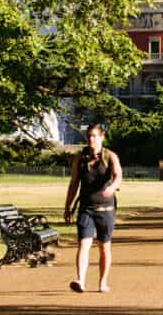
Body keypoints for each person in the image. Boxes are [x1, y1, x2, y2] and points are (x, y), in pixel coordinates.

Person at [64, 123, 123, 293]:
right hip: (86, 209)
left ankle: (102, 282)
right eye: (89, 135)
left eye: (94, 136)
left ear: (102, 137)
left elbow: (118, 176)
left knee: (104, 247)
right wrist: (68, 206)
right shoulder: (80, 159)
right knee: (84, 244)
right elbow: (74, 183)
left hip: (105, 211)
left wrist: (111, 188)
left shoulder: (110, 156)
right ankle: (80, 281)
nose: (91, 139)